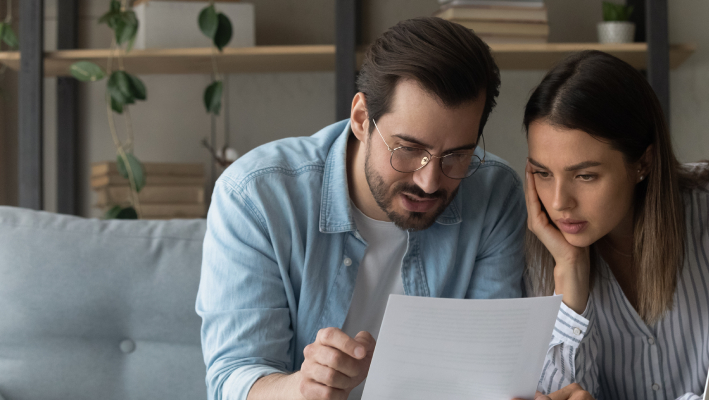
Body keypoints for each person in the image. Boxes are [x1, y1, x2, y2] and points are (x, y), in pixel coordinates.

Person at [196, 17, 527, 400]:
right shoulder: (255, 197)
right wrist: (302, 389)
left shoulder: (494, 193)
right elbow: (233, 377)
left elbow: (490, 371)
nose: (430, 181)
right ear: (360, 119)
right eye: (408, 149)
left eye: (456, 155)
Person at [522, 50, 709, 400]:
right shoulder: (540, 236)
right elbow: (559, 394)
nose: (559, 202)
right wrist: (570, 284)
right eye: (543, 173)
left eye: (585, 175)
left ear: (643, 163)